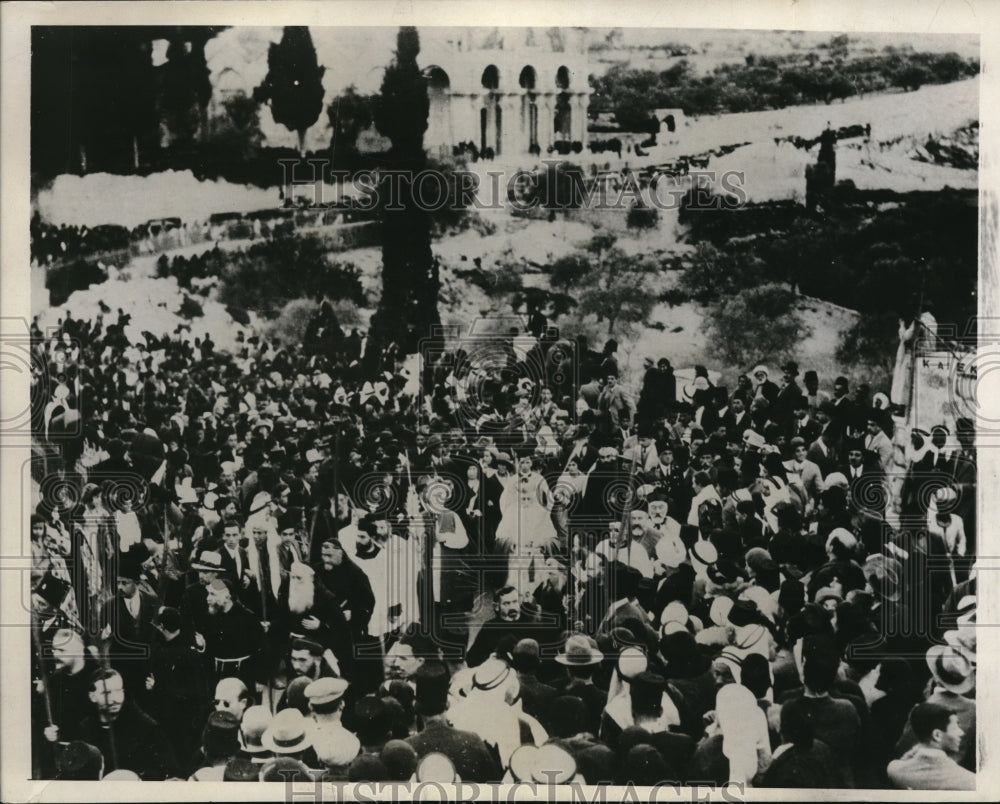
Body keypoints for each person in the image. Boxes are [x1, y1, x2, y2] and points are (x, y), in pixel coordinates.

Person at [406, 663, 502, 782]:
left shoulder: (407, 748)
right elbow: (495, 786)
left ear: (416, 707)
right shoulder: (473, 740)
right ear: (447, 704)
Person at [78, 668, 179, 780]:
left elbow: (169, 771)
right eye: (106, 693)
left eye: (119, 691)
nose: (115, 699)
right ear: (92, 697)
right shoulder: (86, 728)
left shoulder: (145, 727)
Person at [887, 703, 975, 790]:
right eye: (955, 727)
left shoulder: (894, 770)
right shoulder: (969, 781)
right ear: (937, 735)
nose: (961, 733)